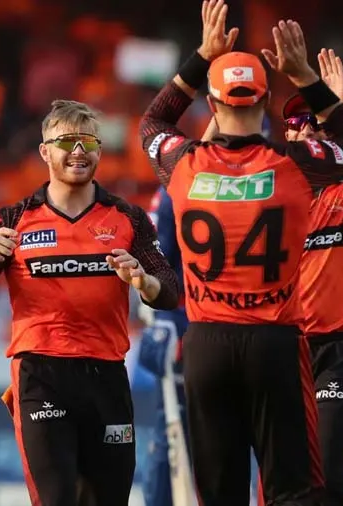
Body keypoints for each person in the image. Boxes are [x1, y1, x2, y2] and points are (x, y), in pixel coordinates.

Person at [139, 2, 343, 504]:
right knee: (291, 492)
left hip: (207, 344)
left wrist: (203, 55)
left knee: (221, 494)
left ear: (212, 104)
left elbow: (153, 121)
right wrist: (307, 77)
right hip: (276, 345)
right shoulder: (295, 164)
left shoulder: (185, 164)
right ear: (266, 101)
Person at [0, 99, 180, 506]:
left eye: (89, 142)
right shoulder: (13, 220)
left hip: (106, 375)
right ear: (44, 152)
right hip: (42, 376)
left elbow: (170, 291)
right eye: (67, 142)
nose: (79, 151)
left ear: (100, 151)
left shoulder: (128, 218)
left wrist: (144, 280)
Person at [251, 50, 343, 506]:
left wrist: (342, 112)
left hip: (336, 352)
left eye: (316, 121)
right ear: (286, 134)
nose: (307, 128)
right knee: (280, 485)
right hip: (279, 349)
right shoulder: (267, 200)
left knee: (328, 479)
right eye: (297, 123)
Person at [137, 185, 192, 506]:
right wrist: (166, 321)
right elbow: (155, 262)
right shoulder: (175, 189)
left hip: (247, 328)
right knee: (172, 430)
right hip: (187, 324)